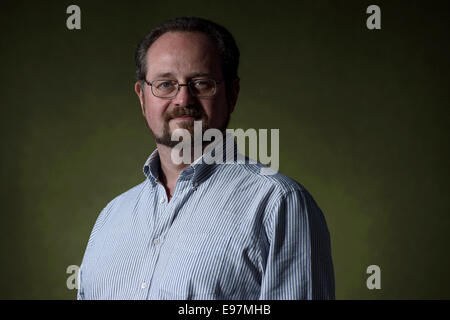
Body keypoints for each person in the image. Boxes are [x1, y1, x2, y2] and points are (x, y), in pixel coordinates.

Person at [77, 16, 335, 300]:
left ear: (232, 94)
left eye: (201, 83)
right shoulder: (111, 217)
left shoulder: (278, 203)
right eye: (165, 84)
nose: (183, 100)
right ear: (142, 97)